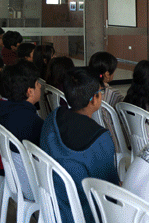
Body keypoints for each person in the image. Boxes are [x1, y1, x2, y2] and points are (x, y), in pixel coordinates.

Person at [40, 68, 119, 223]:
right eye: (100, 91)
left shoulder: (53, 116)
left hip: (52, 201)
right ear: (94, 99)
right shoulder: (99, 138)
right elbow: (109, 190)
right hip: (84, 212)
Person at [0, 60, 45, 202]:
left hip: (15, 181)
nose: (40, 86)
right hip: (33, 188)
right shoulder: (32, 123)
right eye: (37, 83)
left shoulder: (2, 111)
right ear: (29, 91)